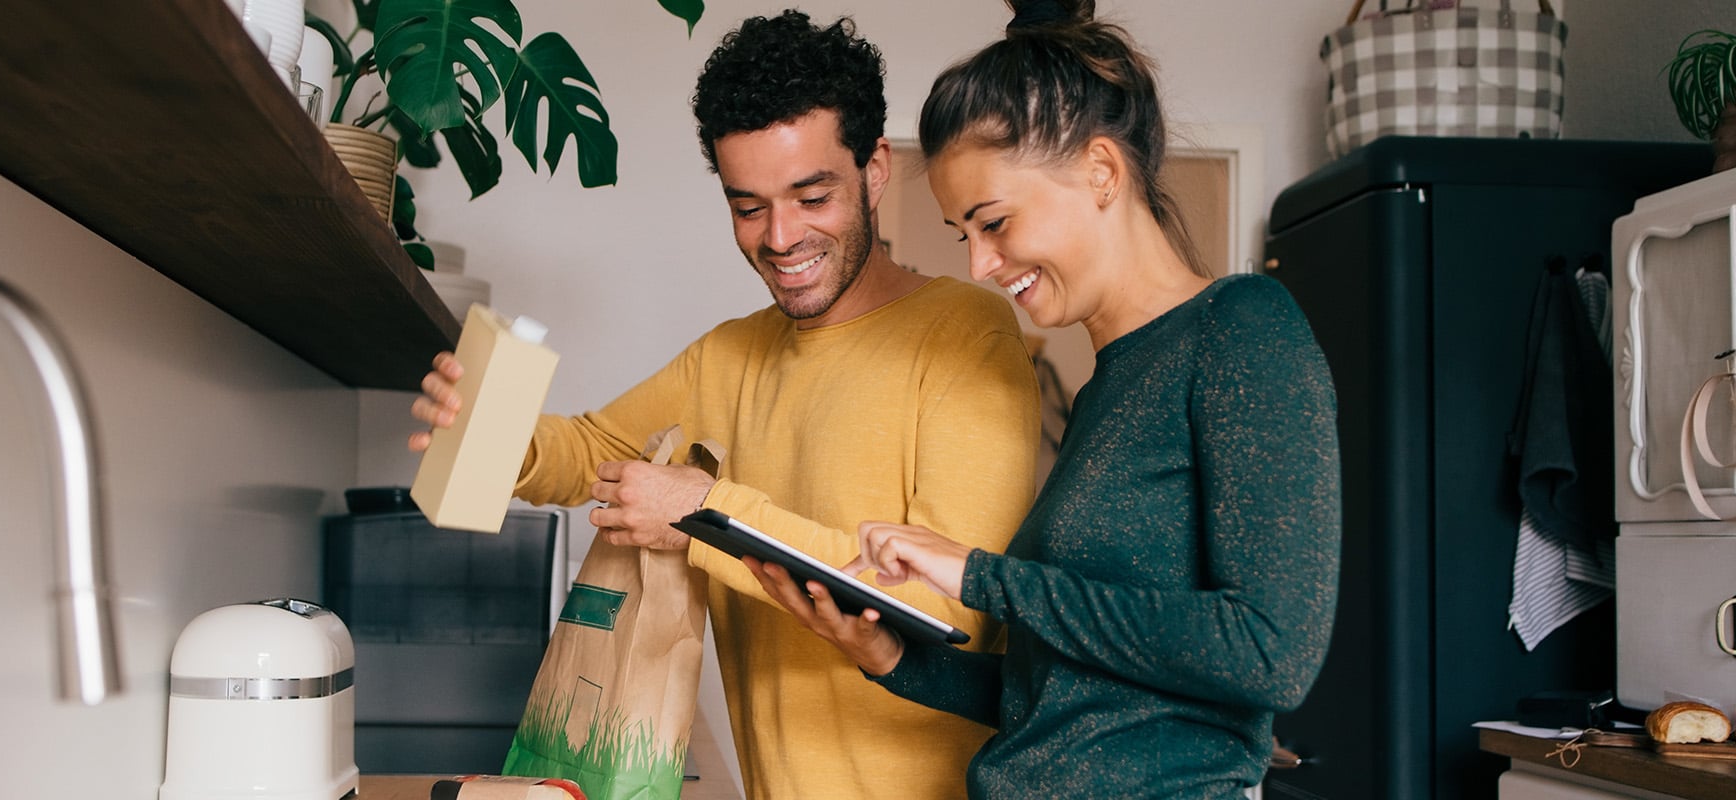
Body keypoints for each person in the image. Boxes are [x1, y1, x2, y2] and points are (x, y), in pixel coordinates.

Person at [408, 10, 1041, 800]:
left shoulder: (964, 334)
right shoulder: (730, 354)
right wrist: (488, 432)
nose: (780, 236)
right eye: (749, 207)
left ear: (875, 168)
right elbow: (589, 453)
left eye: (813, 196)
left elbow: (954, 610)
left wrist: (706, 514)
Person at [743, 1, 1343, 797]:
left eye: (994, 223)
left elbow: (1271, 655)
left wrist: (985, 579)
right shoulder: (1107, 388)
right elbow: (1062, 709)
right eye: (966, 235)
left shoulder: (1241, 331)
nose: (983, 265)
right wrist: (891, 657)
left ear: (1100, 171)